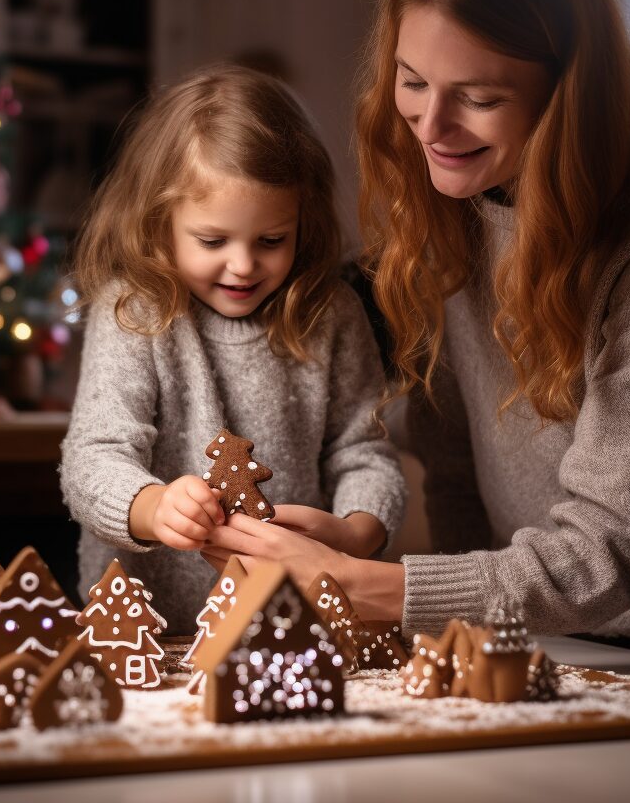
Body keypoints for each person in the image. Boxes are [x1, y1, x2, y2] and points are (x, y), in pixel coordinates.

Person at [203, 0, 630, 682]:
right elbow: (454, 468)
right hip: (549, 631)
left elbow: (604, 551)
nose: (431, 125)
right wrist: (448, 631)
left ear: (571, 95)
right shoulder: (446, 191)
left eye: (480, 98)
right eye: (412, 80)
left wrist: (375, 589)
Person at [59, 63, 406, 633]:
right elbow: (93, 457)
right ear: (160, 221)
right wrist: (153, 508)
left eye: (272, 240)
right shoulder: (135, 311)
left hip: (290, 632)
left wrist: (352, 533)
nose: (243, 265)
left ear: (302, 220)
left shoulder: (331, 312)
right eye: (213, 240)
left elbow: (364, 453)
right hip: (150, 640)